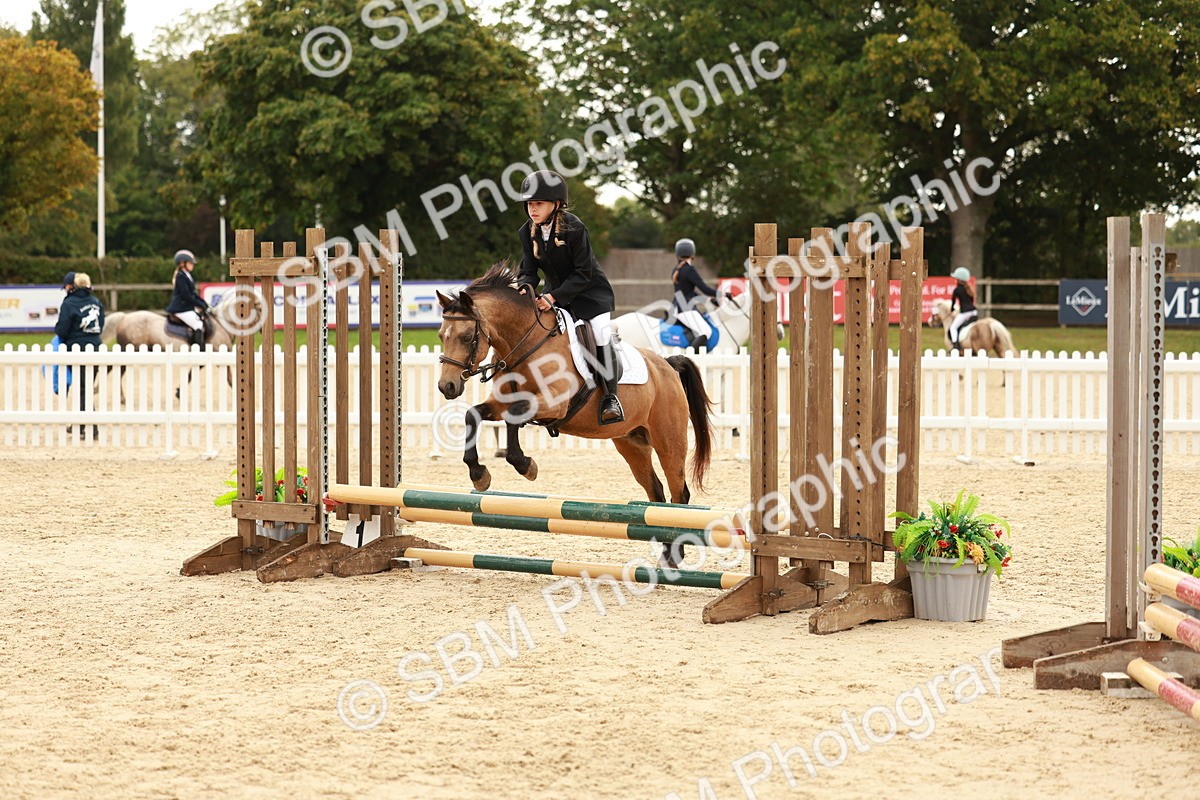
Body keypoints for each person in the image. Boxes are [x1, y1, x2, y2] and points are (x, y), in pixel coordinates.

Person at [515, 169, 624, 425]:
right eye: (530, 203)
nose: (533, 209)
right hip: (557, 296)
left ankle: (611, 398)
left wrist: (552, 298)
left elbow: (583, 273)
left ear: (555, 204)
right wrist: (524, 289)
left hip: (590, 296)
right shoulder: (527, 232)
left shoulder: (574, 228)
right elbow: (528, 271)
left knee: (598, 333)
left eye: (538, 203)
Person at [55, 272, 104, 437]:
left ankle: (91, 427)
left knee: (83, 388)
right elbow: (101, 326)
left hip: (77, 349)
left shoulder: (69, 303)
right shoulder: (96, 302)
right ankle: (81, 424)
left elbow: (62, 329)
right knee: (86, 387)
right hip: (96, 348)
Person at [671, 238, 719, 351]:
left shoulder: (676, 270)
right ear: (692, 253)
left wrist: (707, 300)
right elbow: (705, 289)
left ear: (677, 254)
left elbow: (690, 292)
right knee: (706, 331)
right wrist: (722, 294)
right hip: (685, 308)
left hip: (678, 307)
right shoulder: (689, 270)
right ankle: (689, 358)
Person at [166, 249, 209, 348]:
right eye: (190, 263)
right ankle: (198, 352)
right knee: (198, 325)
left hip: (186, 307)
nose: (192, 265)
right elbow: (186, 296)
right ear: (182, 263)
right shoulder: (181, 276)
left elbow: (193, 294)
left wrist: (204, 303)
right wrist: (200, 305)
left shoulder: (187, 275)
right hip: (181, 308)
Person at [948, 266, 978, 355]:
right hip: (974, 312)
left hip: (965, 313)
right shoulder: (970, 289)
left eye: (956, 279)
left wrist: (952, 309)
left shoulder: (957, 290)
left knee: (953, 328)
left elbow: (953, 302)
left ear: (959, 280)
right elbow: (971, 301)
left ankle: (955, 347)